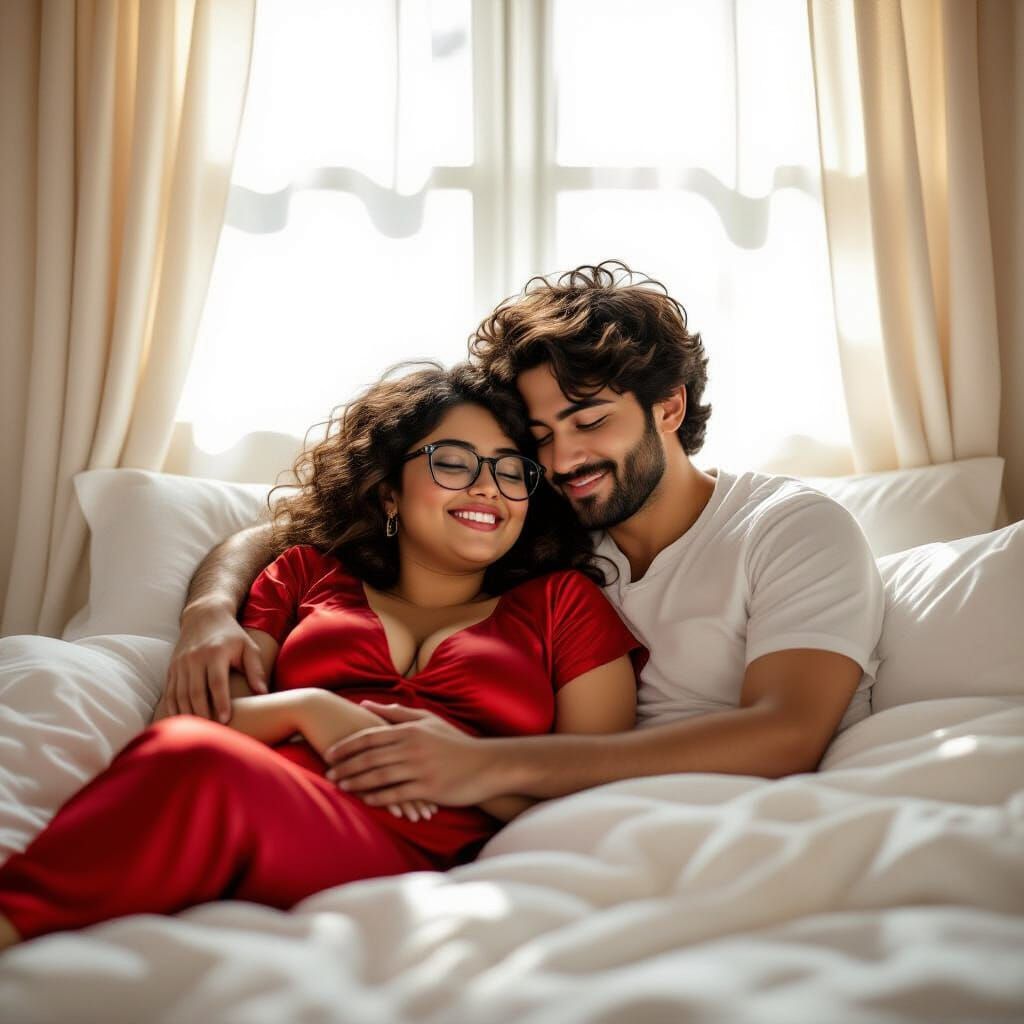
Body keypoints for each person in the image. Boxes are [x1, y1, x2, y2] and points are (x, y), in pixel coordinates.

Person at [154, 261, 885, 815]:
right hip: (555, 818)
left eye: (590, 420)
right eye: (541, 437)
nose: (563, 459)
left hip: (726, 819)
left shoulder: (790, 527)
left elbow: (786, 735)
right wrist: (209, 612)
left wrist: (491, 768)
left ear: (670, 406)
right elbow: (286, 535)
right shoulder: (548, 517)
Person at [0, 363, 644, 951]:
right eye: (454, 462)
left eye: (511, 470)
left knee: (195, 764)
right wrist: (316, 712)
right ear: (389, 492)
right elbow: (204, 718)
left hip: (431, 853)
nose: (489, 488)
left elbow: (594, 790)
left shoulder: (563, 604)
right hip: (275, 803)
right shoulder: (304, 575)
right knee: (189, 755)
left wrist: (468, 774)